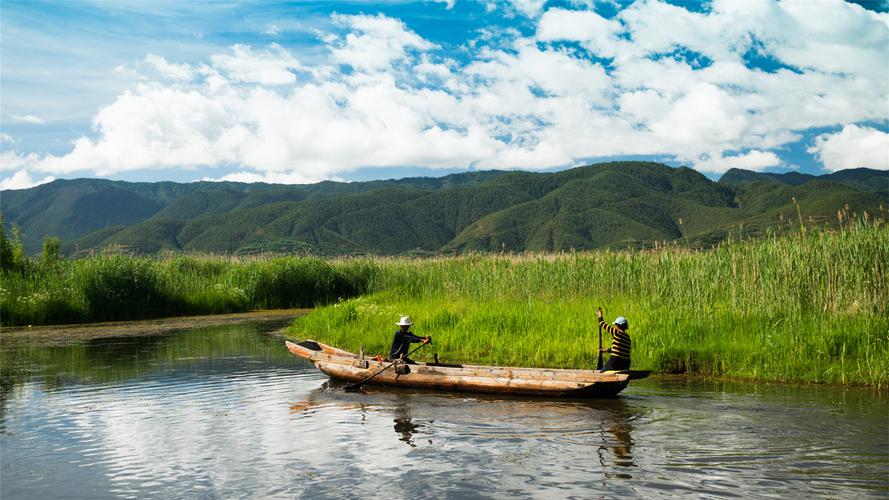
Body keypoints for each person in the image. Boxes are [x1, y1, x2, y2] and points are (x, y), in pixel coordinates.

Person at [597, 307, 631, 371]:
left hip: (616, 361)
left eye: (615, 325)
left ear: (617, 325)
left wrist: (600, 315)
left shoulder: (616, 332)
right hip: (626, 363)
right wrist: (605, 350)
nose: (614, 326)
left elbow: (601, 323)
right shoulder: (628, 337)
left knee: (601, 371)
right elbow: (618, 349)